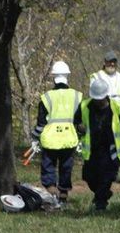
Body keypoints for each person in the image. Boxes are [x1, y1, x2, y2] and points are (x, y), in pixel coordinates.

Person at [77, 78, 120, 211]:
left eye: (100, 98)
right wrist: (78, 126)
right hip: (92, 151)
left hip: (111, 152)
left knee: (106, 178)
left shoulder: (117, 108)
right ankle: (102, 194)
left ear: (106, 95)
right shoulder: (84, 106)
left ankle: (100, 204)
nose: (97, 101)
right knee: (89, 178)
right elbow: (76, 121)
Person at [30, 61, 82, 204]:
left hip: (50, 140)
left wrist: (34, 138)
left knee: (48, 167)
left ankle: (51, 190)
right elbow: (79, 121)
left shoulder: (46, 97)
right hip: (68, 139)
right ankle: (63, 192)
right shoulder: (77, 96)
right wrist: (81, 137)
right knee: (66, 167)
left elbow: (41, 123)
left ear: (53, 77)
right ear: (67, 77)